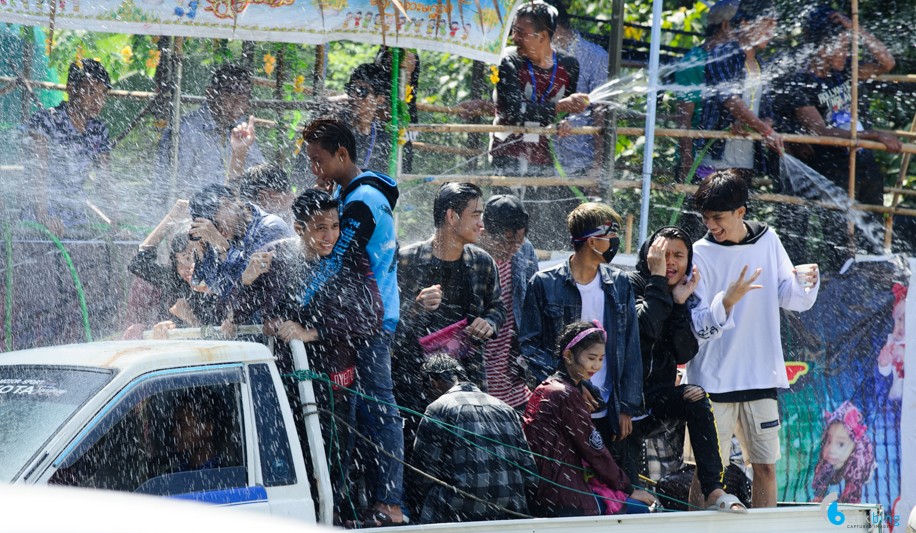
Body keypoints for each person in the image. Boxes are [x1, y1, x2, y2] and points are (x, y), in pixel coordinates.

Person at [238, 190, 382, 524]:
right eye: (320, 228)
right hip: (282, 384)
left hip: (333, 383)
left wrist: (311, 333)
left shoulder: (349, 257)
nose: (330, 235)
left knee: (334, 468)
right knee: (291, 465)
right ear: (299, 228)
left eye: (335, 226)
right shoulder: (272, 259)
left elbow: (371, 316)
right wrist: (246, 281)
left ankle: (336, 520)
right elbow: (232, 315)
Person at [687, 170, 820, 508]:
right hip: (711, 381)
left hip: (760, 375)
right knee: (707, 475)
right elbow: (695, 325)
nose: (712, 225)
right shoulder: (698, 252)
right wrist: (727, 301)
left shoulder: (768, 239)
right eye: (706, 218)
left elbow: (791, 297)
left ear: (741, 212)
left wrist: (807, 281)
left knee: (765, 468)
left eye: (718, 217)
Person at [298, 118, 405, 527]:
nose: (314, 168)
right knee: (360, 410)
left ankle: (390, 502)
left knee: (380, 407)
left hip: (372, 320)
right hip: (363, 318)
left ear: (342, 154)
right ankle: (366, 499)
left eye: (319, 159)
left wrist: (301, 305)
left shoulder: (361, 200)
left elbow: (336, 260)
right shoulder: (351, 191)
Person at [519, 202, 642, 480]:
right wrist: (569, 384)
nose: (615, 242)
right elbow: (528, 346)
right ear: (591, 241)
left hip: (608, 405)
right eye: (611, 235)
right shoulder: (544, 283)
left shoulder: (620, 284)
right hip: (564, 406)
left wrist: (627, 408)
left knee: (611, 486)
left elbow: (631, 347)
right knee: (568, 484)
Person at [627, 226, 746, 512]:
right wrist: (657, 282)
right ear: (648, 255)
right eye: (663, 254)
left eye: (679, 255)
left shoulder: (679, 295)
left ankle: (715, 489)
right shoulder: (629, 284)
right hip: (622, 404)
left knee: (695, 396)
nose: (671, 262)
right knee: (627, 496)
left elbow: (684, 351)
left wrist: (679, 304)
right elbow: (647, 327)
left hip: (656, 401)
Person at [523, 321, 654, 516]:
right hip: (564, 497)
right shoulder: (565, 394)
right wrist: (628, 488)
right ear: (568, 356)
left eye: (601, 359)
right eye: (591, 358)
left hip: (543, 493)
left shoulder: (546, 387)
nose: (597, 366)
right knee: (642, 510)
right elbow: (594, 451)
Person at [489, 0, 591, 250]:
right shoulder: (509, 62)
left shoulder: (569, 66)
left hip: (542, 156)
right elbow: (513, 110)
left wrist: (566, 120)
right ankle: (495, 266)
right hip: (507, 152)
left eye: (521, 33)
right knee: (502, 217)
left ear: (543, 36)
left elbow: (562, 112)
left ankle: (529, 271)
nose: (515, 37)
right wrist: (560, 109)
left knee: (532, 219)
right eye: (514, 30)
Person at [396, 183, 506, 411]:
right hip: (414, 382)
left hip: (468, 379)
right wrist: (415, 307)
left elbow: (497, 307)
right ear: (451, 217)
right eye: (475, 215)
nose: (481, 224)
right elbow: (384, 322)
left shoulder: (482, 262)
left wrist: (489, 323)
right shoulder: (406, 261)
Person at [413, 354, 536, 523]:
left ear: (433, 382)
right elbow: (530, 473)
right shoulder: (506, 408)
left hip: (457, 511)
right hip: (509, 511)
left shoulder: (438, 408)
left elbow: (423, 472)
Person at [24, 58, 114, 236]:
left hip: (77, 218)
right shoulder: (46, 120)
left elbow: (105, 182)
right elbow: (37, 174)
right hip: (39, 217)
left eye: (103, 94)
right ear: (71, 88)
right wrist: (44, 218)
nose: (98, 100)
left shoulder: (98, 130)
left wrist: (116, 221)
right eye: (90, 92)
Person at [695, 0, 783, 181]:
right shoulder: (722, 55)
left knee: (739, 208)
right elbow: (729, 99)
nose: (771, 32)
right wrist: (764, 130)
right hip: (715, 155)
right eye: (766, 24)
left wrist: (765, 123)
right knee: (711, 206)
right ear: (744, 23)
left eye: (773, 26)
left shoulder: (761, 65)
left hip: (745, 160)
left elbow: (768, 111)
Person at [157, 63, 264, 205]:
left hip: (227, 213)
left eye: (244, 98)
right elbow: (174, 186)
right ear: (210, 93)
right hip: (191, 213)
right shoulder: (185, 131)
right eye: (230, 95)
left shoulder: (241, 130)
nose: (237, 103)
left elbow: (259, 176)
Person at [187, 184, 291, 314]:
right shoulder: (220, 238)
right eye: (210, 226)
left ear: (226, 203)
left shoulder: (270, 227)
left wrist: (224, 249)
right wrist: (201, 254)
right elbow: (218, 289)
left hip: (272, 321)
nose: (217, 230)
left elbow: (251, 284)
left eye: (215, 223)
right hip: (240, 324)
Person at [124, 200, 219, 338]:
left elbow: (220, 334)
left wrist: (190, 319)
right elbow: (138, 264)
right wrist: (170, 218)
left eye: (192, 258)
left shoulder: (220, 281)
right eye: (181, 261)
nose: (188, 267)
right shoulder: (173, 280)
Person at [476, 194, 538, 409]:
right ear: (484, 232)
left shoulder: (525, 250)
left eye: (518, 242)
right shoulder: (470, 254)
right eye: (506, 242)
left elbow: (531, 306)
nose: (513, 249)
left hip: (511, 371)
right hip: (479, 366)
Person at [673, 0, 739, 182]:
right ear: (725, 26)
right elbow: (684, 117)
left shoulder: (737, 59)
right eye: (739, 25)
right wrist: (687, 163)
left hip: (730, 155)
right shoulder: (694, 61)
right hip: (700, 157)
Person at [545, 0, 609, 176]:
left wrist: (597, 166)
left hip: (580, 159)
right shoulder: (537, 56)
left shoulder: (595, 57)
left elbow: (600, 112)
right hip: (543, 158)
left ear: (553, 28)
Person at [811, 401, 876, 503]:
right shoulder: (827, 461)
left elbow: (852, 501)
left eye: (840, 444)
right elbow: (819, 483)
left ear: (854, 447)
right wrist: (819, 495)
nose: (831, 449)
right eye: (829, 441)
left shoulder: (858, 461)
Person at [878, 283, 906, 401]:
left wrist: (904, 354)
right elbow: (885, 373)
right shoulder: (893, 341)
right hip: (898, 397)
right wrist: (884, 363)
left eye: (902, 320)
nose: (897, 328)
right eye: (896, 321)